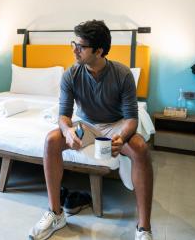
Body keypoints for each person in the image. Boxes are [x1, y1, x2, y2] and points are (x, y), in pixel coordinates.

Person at [29, 20, 154, 240]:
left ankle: (143, 228)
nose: (74, 50)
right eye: (74, 44)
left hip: (115, 124)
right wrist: (67, 131)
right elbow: (64, 115)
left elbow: (131, 119)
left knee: (141, 148)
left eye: (81, 46)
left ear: (99, 50)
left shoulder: (123, 74)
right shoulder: (71, 74)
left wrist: (121, 137)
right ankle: (56, 214)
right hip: (86, 124)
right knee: (51, 140)